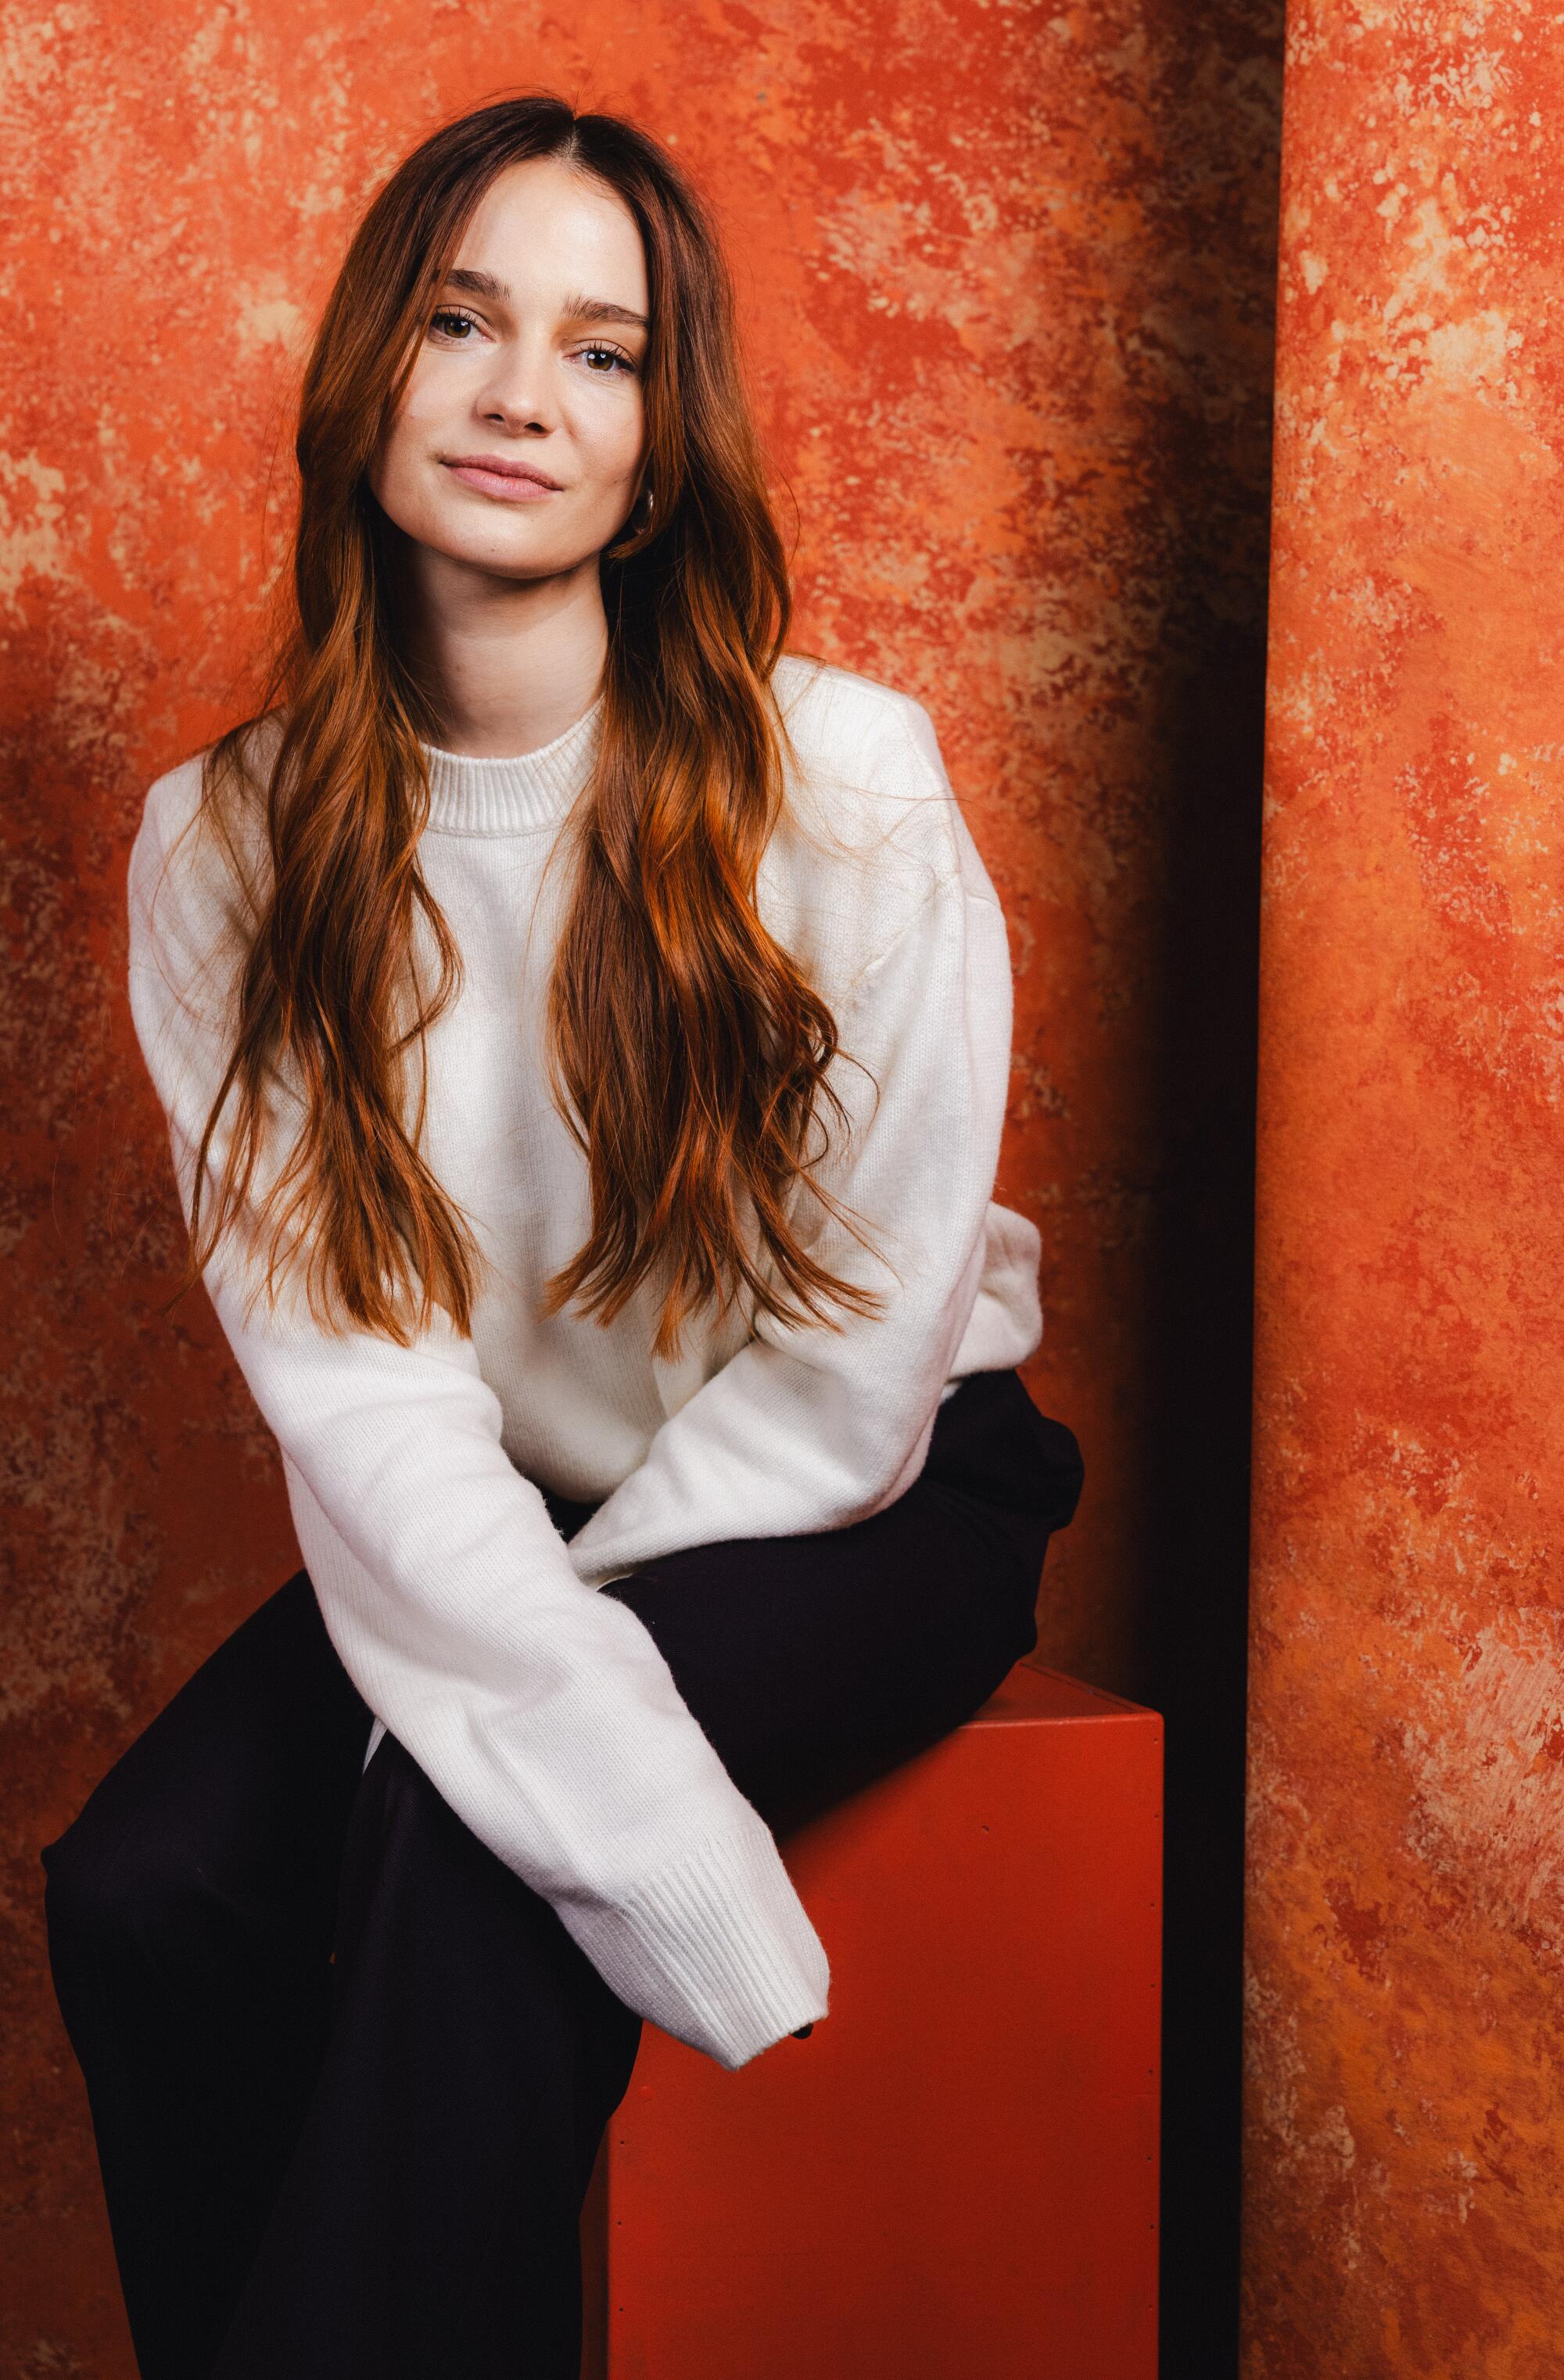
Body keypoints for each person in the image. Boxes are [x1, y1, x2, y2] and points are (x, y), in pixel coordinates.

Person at [39, 91, 1085, 2380]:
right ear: (369, 373)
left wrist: (528, 1714)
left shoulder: (849, 792)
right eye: (463, 319)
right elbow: (362, 1390)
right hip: (517, 1495)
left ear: (659, 444)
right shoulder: (221, 846)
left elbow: (848, 1365)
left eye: (604, 355)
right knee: (140, 1888)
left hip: (880, 1478)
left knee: (469, 1847)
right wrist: (525, 1658)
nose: (525, 392)